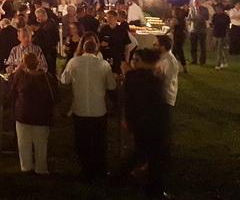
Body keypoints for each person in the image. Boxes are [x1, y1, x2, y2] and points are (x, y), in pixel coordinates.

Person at [60, 34, 117, 181]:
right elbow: (112, 85)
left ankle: (85, 168)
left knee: (82, 140)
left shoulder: (74, 62)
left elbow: (64, 80)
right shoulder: (104, 65)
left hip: (80, 109)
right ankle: (99, 169)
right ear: (96, 48)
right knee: (99, 141)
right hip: (99, 109)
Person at [119, 48, 171, 198]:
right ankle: (153, 189)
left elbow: (129, 101)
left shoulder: (136, 76)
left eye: (135, 60)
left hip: (146, 123)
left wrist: (128, 119)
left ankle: (122, 176)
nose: (132, 63)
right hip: (153, 123)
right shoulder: (153, 76)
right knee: (152, 156)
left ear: (142, 61)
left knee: (142, 152)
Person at [9, 52, 58, 175]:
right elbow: (55, 96)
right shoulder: (47, 78)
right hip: (42, 116)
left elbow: (11, 90)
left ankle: (26, 167)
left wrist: (17, 70)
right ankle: (41, 168)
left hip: (23, 115)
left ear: (24, 64)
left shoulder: (20, 76)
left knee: (24, 143)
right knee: (41, 144)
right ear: (38, 63)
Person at [33, 8, 60, 76]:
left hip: (49, 51)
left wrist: (38, 30)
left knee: (50, 70)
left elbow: (47, 37)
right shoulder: (44, 24)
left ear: (44, 15)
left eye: (39, 17)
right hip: (45, 50)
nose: (38, 19)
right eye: (37, 17)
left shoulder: (50, 24)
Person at [155, 35, 179, 109]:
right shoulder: (162, 57)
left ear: (162, 47)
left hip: (165, 98)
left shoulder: (170, 61)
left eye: (155, 44)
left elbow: (168, 81)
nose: (153, 46)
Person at [187, 0, 209, 65]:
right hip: (193, 30)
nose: (196, 3)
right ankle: (194, 60)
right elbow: (189, 17)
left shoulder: (204, 9)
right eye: (194, 2)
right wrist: (189, 19)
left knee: (202, 46)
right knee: (193, 46)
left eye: (197, 2)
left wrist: (199, 17)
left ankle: (202, 61)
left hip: (202, 30)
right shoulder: (191, 9)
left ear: (200, 2)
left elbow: (207, 17)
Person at [168, 7, 188, 73]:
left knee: (178, 52)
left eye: (173, 11)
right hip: (182, 36)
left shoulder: (175, 19)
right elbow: (186, 28)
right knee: (176, 51)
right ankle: (181, 67)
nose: (172, 12)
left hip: (177, 36)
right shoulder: (183, 19)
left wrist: (164, 33)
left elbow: (171, 27)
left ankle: (180, 66)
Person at [211, 3, 231, 70]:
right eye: (216, 9)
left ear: (221, 9)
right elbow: (213, 24)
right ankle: (224, 62)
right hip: (215, 34)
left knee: (219, 50)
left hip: (222, 35)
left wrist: (227, 35)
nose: (216, 10)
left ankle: (218, 64)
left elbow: (228, 26)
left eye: (218, 8)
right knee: (219, 49)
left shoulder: (226, 16)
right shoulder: (215, 15)